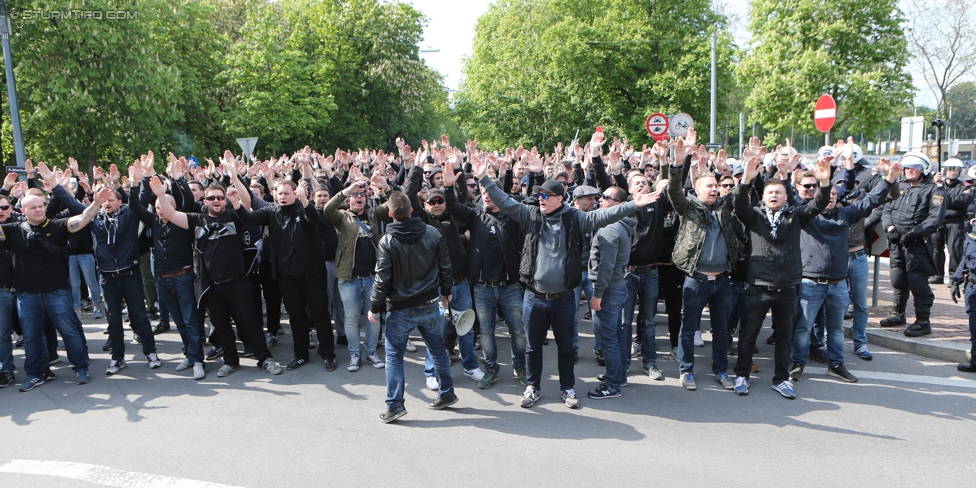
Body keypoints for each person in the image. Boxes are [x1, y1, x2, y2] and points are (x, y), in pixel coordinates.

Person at [474, 136, 659, 410]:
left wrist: (633, 203)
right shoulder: (530, 215)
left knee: (565, 349)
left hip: (563, 298)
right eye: (539, 196)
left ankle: (568, 388)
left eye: (546, 196)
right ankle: (533, 388)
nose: (541, 200)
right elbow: (506, 202)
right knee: (532, 348)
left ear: (560, 198)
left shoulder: (576, 218)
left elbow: (605, 216)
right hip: (534, 297)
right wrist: (485, 178)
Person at [150, 176, 283, 377]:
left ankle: (264, 359)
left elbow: (248, 203)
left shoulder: (233, 216)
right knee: (221, 327)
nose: (216, 201)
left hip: (237, 282)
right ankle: (230, 361)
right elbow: (170, 213)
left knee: (250, 323)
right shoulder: (197, 219)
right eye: (212, 198)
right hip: (211, 286)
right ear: (205, 201)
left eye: (220, 197)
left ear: (225, 200)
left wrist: (234, 176)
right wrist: (160, 193)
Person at [732, 138, 832, 399]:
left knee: (785, 338)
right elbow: (739, 205)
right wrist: (745, 182)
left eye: (778, 192)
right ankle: (741, 375)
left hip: (787, 288)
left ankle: (780, 378)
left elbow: (819, 204)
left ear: (787, 196)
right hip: (758, 287)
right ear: (763, 196)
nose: (774, 195)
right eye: (769, 193)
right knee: (748, 336)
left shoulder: (796, 215)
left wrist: (823, 183)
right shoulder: (754, 215)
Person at [789, 155, 900, 384]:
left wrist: (889, 180)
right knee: (803, 328)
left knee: (837, 329)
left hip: (838, 284)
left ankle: (836, 365)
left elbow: (871, 200)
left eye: (833, 194)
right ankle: (798, 363)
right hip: (810, 283)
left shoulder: (846, 214)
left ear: (838, 196)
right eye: (824, 193)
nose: (829, 197)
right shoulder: (805, 214)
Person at [228, 152, 338, 372]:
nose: (283, 197)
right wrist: (235, 202)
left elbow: (314, 220)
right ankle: (300, 354)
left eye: (287, 193)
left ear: (295, 195)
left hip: (313, 274)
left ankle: (328, 353)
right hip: (287, 277)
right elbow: (248, 217)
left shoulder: (305, 209)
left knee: (320, 314)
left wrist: (306, 201)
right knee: (296, 317)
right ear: (274, 194)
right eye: (280, 193)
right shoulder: (272, 212)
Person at [0, 182, 111, 391]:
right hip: (27, 295)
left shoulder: (58, 225)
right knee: (32, 337)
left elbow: (83, 219)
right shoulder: (12, 230)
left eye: (41, 205)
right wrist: (5, 191)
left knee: (69, 332)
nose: (39, 209)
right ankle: (35, 374)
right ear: (22, 210)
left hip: (57, 292)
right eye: (33, 207)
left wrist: (96, 203)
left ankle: (80, 368)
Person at [368, 191, 457, 423]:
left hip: (401, 307)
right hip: (428, 303)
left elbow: (382, 278)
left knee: (394, 356)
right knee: (437, 350)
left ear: (390, 214)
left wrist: (374, 307)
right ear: (411, 210)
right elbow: (445, 266)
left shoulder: (387, 241)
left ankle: (395, 405)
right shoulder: (432, 233)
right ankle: (446, 393)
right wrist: (446, 292)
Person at [442, 160, 528, 390]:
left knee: (518, 330)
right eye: (482, 191)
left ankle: (520, 366)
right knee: (487, 332)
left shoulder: (515, 218)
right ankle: (491, 369)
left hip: (510, 287)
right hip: (482, 288)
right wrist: (449, 187)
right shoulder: (476, 216)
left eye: (490, 191)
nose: (486, 195)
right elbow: (453, 208)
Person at [667, 134, 742, 392]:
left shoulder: (724, 207)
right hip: (696, 281)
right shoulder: (688, 208)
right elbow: (674, 191)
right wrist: (678, 165)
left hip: (722, 281)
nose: (713, 189)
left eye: (716, 185)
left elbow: (740, 195)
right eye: (708, 185)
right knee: (688, 329)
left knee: (721, 331)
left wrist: (749, 177)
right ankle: (686, 371)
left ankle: (721, 370)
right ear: (697, 190)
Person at [128, 162, 206, 380]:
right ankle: (190, 355)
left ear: (174, 207)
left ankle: (198, 360)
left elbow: (188, 200)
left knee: (191, 320)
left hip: (183, 276)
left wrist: (179, 178)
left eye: (164, 205)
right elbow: (135, 206)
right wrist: (136, 182)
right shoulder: (153, 220)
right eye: (157, 205)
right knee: (179, 322)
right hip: (163, 280)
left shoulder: (184, 221)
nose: (160, 209)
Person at [323, 172, 390, 372]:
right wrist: (346, 190)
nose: (358, 197)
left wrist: (386, 187)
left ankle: (370, 352)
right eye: (355, 195)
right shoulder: (342, 217)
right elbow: (328, 208)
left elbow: (395, 203)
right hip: (348, 278)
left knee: (373, 317)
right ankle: (354, 354)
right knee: (351, 318)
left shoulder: (373, 214)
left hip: (372, 278)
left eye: (362, 194)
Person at [880, 152, 945, 337]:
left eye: (913, 167)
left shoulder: (934, 190)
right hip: (896, 243)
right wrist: (890, 228)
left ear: (923, 169)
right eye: (906, 167)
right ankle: (897, 313)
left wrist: (913, 234)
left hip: (917, 245)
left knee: (918, 282)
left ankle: (923, 321)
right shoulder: (899, 187)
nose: (909, 170)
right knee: (897, 278)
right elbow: (887, 210)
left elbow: (935, 219)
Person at [587, 186, 636, 399]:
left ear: (617, 205)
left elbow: (605, 265)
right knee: (616, 335)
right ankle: (618, 375)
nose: (600, 200)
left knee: (608, 339)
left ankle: (613, 384)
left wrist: (597, 294)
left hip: (608, 290)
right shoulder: (620, 225)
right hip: (617, 286)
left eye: (606, 198)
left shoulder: (610, 229)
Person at [929, 158, 970, 285]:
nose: (952, 173)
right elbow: (930, 199)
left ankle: (954, 277)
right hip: (938, 221)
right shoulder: (935, 185)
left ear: (960, 172)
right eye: (950, 170)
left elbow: (961, 201)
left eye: (955, 170)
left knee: (955, 250)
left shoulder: (964, 187)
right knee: (936, 249)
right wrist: (935, 184)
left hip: (955, 222)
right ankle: (937, 275)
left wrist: (942, 194)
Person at [949, 226, 976, 373]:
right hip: (973, 284)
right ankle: (975, 360)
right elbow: (966, 256)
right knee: (974, 326)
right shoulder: (974, 231)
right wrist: (956, 279)